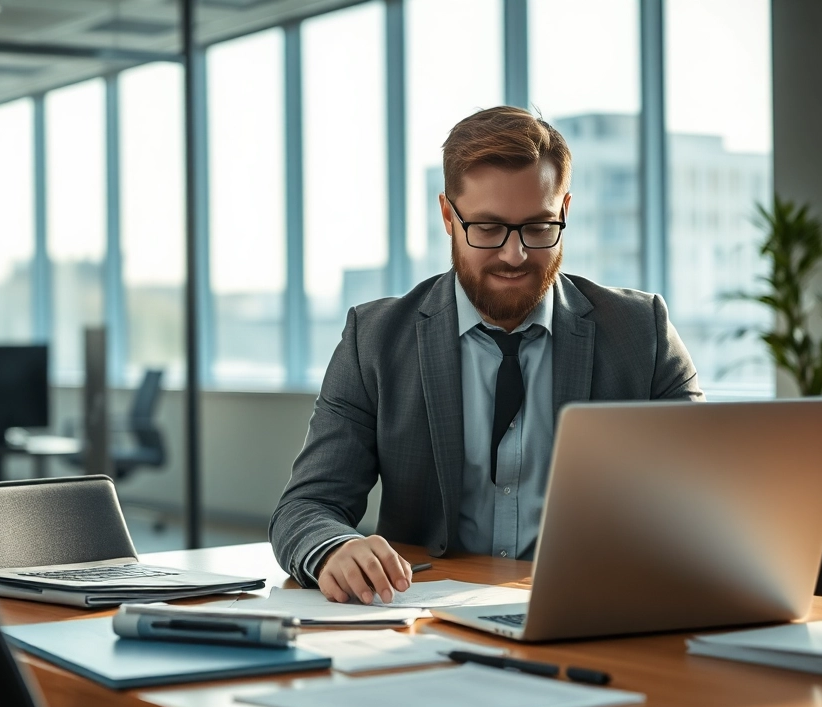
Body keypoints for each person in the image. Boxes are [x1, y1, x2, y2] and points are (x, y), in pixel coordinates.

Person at [269, 106, 703, 605]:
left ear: (564, 210)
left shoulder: (640, 331)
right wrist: (335, 549)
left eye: (538, 228)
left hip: (589, 609)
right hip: (424, 617)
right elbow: (306, 506)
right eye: (489, 229)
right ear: (448, 216)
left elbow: (705, 501)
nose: (514, 255)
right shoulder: (375, 338)